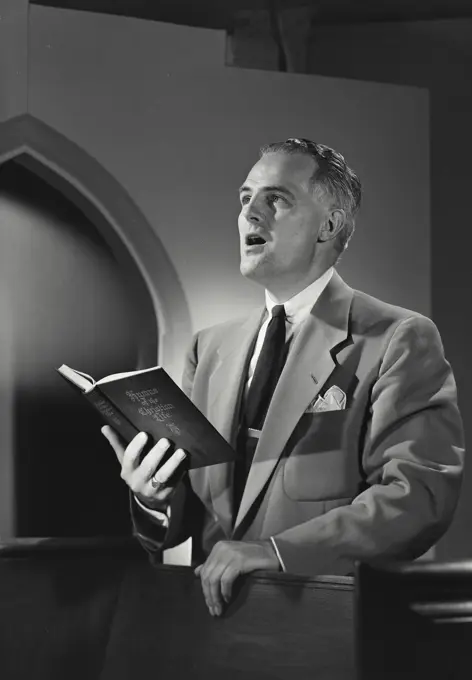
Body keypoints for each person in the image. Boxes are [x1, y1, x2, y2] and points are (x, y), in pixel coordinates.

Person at [102, 138, 464, 618]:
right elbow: (189, 514)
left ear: (329, 225)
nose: (250, 213)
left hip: (323, 634)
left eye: (276, 198)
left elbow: (418, 497)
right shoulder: (208, 349)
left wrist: (275, 552)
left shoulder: (397, 338)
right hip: (212, 635)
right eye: (245, 198)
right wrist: (152, 498)